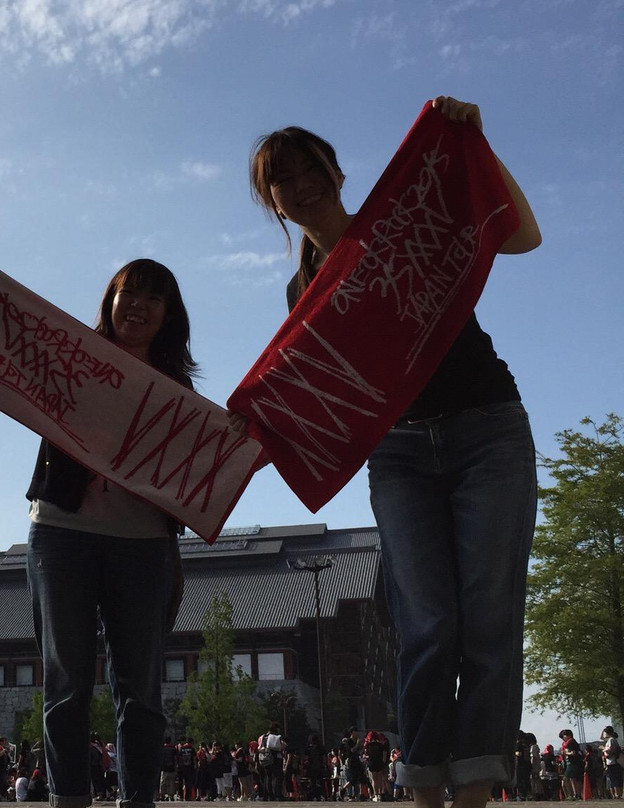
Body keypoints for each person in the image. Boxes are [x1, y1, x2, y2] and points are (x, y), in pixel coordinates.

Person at [248, 96, 541, 808]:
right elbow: (313, 396)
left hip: (487, 428)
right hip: (401, 454)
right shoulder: (301, 294)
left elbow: (521, 235)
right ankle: (423, 790)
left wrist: (475, 140)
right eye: (282, 179)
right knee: (428, 622)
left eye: (309, 165)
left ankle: (471, 791)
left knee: (489, 617)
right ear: (274, 203)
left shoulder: (401, 220)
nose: (301, 182)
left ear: (337, 170)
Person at [0, 256, 193, 808]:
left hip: (142, 544)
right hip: (62, 535)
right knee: (66, 686)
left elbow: (200, 460)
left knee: (139, 688)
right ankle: (71, 799)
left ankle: (138, 799)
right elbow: (14, 345)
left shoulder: (179, 391)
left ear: (169, 316)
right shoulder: (69, 359)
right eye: (127, 293)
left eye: (153, 298)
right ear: (109, 302)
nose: (137, 306)